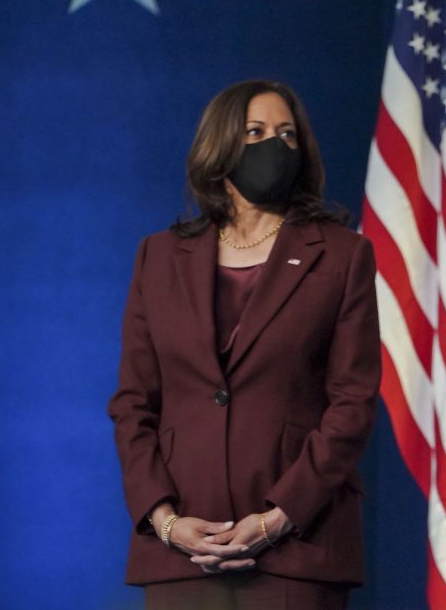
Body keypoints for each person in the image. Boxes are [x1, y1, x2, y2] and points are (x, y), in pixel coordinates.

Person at [108, 80, 382, 609]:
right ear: (220, 146)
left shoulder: (344, 256)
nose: (273, 146)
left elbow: (352, 403)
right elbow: (133, 404)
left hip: (297, 549)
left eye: (287, 134)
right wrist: (164, 521)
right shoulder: (158, 257)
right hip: (181, 552)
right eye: (255, 132)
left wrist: (279, 516)